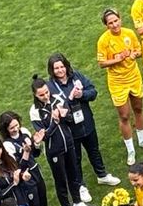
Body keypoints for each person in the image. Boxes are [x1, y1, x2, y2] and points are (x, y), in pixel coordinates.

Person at [30, 77, 98, 206]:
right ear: (35, 95)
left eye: (47, 92)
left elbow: (70, 119)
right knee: (61, 181)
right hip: (54, 150)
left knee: (74, 175)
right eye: (41, 95)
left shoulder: (57, 99)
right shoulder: (35, 111)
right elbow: (44, 136)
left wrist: (64, 114)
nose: (46, 96)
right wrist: (54, 121)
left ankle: (78, 204)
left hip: (69, 143)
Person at [47, 53, 121, 189]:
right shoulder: (50, 87)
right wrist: (66, 102)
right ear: (52, 70)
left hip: (86, 122)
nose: (60, 70)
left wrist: (82, 95)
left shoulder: (76, 76)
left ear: (66, 66)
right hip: (69, 128)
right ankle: (80, 186)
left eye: (62, 66)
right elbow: (50, 106)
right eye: (56, 68)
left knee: (94, 150)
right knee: (75, 159)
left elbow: (93, 92)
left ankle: (102, 175)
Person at [96, 7, 143, 165]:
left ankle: (142, 140)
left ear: (120, 19)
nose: (114, 25)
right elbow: (102, 63)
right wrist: (118, 59)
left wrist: (135, 54)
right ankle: (131, 150)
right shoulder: (103, 41)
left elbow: (138, 50)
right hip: (117, 82)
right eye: (110, 23)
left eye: (116, 21)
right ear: (106, 25)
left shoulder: (129, 33)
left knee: (138, 108)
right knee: (124, 116)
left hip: (134, 77)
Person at [0, 111, 68, 206]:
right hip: (25, 177)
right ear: (5, 130)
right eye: (11, 128)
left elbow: (35, 154)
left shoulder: (24, 132)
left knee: (43, 203)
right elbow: (16, 167)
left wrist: (36, 144)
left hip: (35, 171)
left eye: (16, 125)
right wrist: (25, 153)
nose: (15, 129)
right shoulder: (7, 145)